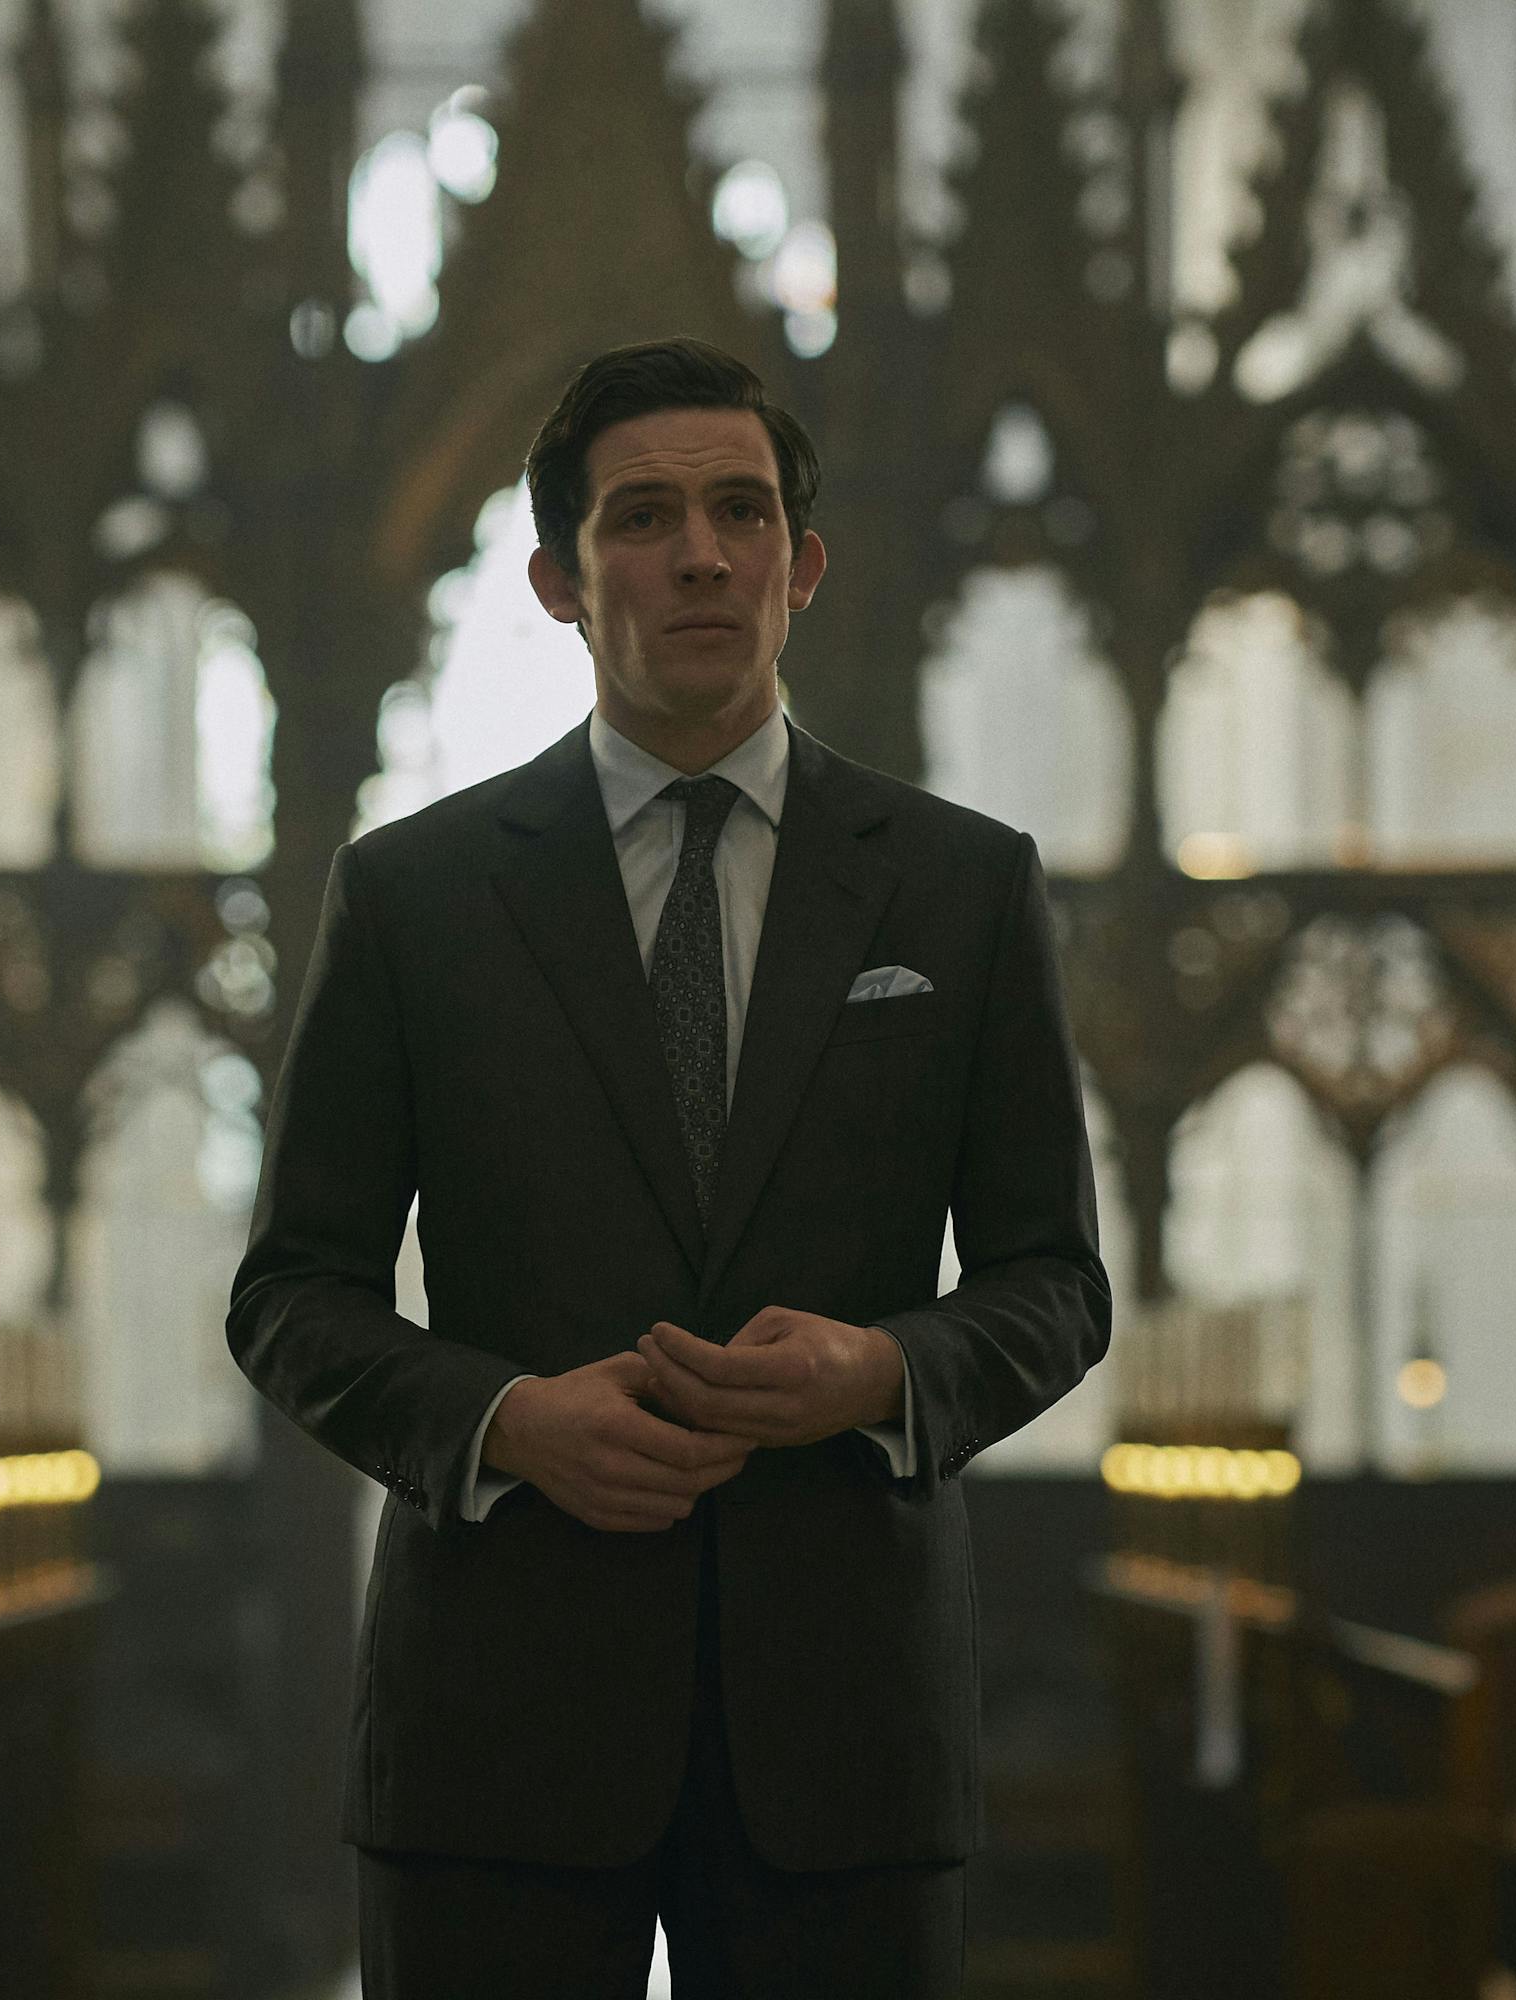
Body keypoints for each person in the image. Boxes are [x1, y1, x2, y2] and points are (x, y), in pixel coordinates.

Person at [226, 336, 1111, 1998]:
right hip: (497, 1727)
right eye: (641, 518)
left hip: (846, 1736)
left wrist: (880, 1371)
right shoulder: (413, 897)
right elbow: (292, 1299)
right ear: (557, 580)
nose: (699, 553)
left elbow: (1054, 1285)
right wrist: (504, 1423)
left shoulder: (958, 890)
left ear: (804, 562)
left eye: (738, 510)